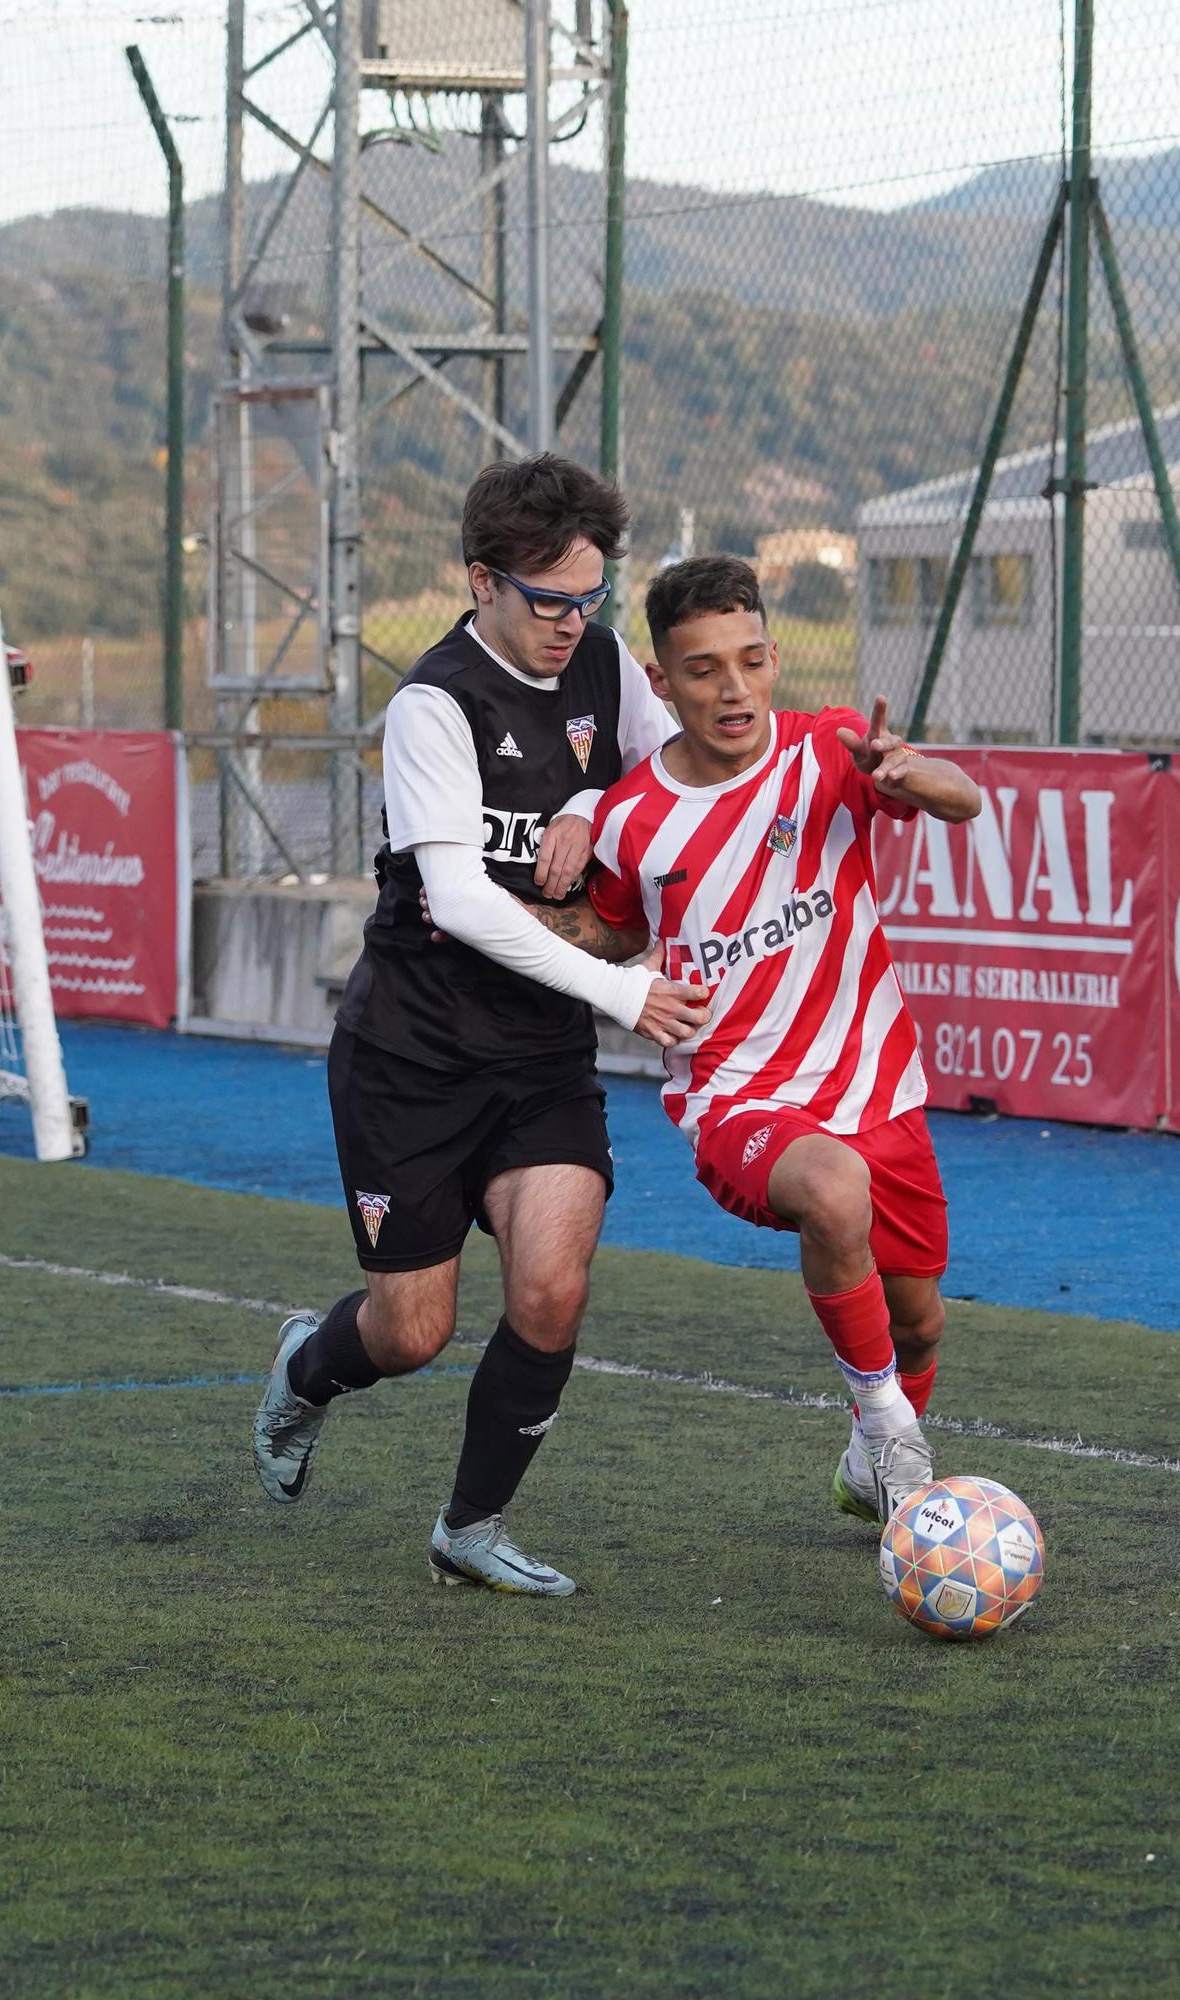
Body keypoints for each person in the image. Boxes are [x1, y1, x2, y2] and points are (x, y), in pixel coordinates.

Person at [252, 454, 709, 1596]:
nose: (571, 623)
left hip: (538, 1057)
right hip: (411, 1054)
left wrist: (595, 799)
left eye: (588, 597)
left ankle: (470, 1526)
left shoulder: (604, 661)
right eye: (547, 600)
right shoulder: (432, 704)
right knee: (412, 1331)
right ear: (481, 581)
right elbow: (457, 902)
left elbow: (669, 767)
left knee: (552, 1286)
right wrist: (622, 993)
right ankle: (306, 1368)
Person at [538, 554, 982, 1524]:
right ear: (661, 682)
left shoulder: (833, 750)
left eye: (749, 659)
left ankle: (870, 1461)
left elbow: (963, 800)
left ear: (774, 656)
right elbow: (614, 926)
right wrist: (506, 919)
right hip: (735, 1097)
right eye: (701, 669)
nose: (731, 687)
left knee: (919, 1321)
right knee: (830, 1191)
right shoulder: (630, 817)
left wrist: (907, 769)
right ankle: (892, 1440)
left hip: (876, 1089)